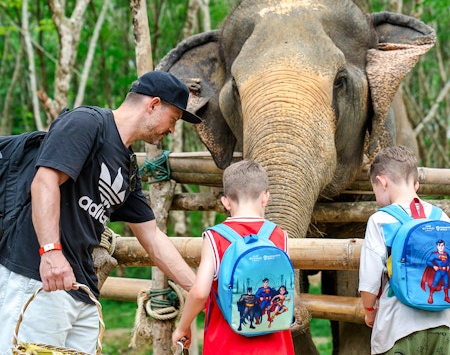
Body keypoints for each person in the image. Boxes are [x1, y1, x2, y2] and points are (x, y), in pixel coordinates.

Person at [0, 71, 201, 355]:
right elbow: (44, 182)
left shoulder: (128, 166)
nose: (172, 130)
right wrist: (51, 252)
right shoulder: (87, 123)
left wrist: (198, 287)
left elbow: (152, 237)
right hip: (38, 276)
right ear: (154, 104)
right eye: (174, 119)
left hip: (82, 291)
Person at [358, 145, 450, 355]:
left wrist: (369, 311)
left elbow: (369, 282)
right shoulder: (441, 218)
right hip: (442, 327)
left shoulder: (380, 220)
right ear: (416, 184)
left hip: (397, 329)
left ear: (381, 182)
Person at [171, 160, 295, 355]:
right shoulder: (280, 235)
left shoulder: (215, 237)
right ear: (266, 198)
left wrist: (182, 326)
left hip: (226, 345)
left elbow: (199, 293)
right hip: (276, 346)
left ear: (225, 201)